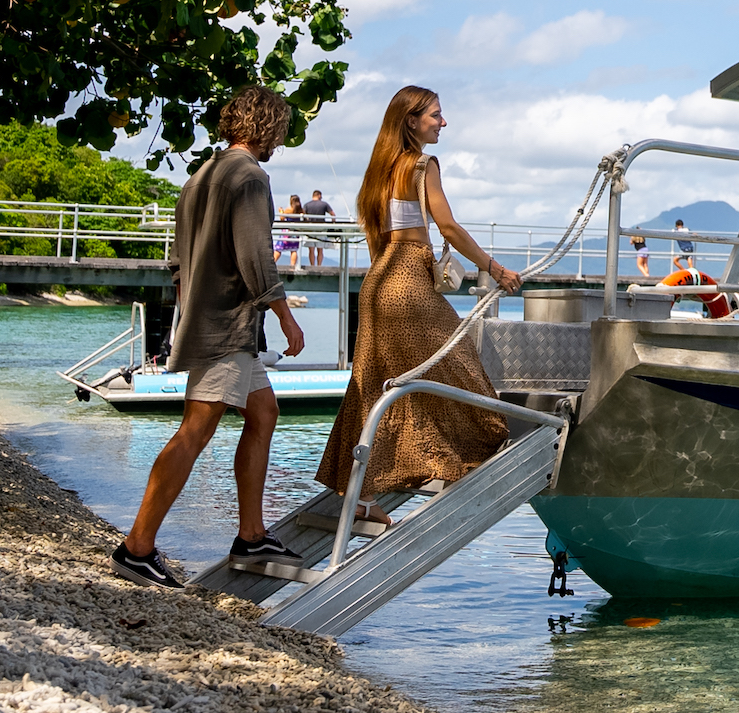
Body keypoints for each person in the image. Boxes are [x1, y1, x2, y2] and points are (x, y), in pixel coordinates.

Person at [111, 86, 307, 588]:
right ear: (269, 127)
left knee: (264, 413)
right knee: (195, 430)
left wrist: (190, 312)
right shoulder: (250, 178)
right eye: (281, 129)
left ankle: (252, 535)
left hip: (207, 320)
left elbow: (178, 262)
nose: (281, 139)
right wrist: (286, 317)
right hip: (228, 324)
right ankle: (137, 547)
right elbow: (256, 257)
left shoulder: (199, 176)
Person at [315, 86, 523, 511]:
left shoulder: (379, 171)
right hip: (408, 281)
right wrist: (495, 268)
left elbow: (376, 237)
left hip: (377, 282)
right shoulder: (423, 165)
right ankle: (457, 456)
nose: (443, 122)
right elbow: (448, 228)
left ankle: (361, 494)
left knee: (372, 384)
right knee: (459, 363)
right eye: (435, 115)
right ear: (411, 120)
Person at [302, 188, 335, 268]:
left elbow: (303, 215)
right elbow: (333, 214)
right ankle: (319, 266)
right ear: (319, 195)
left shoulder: (307, 205)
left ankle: (312, 266)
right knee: (320, 250)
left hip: (310, 229)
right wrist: (333, 224)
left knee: (311, 250)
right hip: (321, 229)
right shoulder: (324, 204)